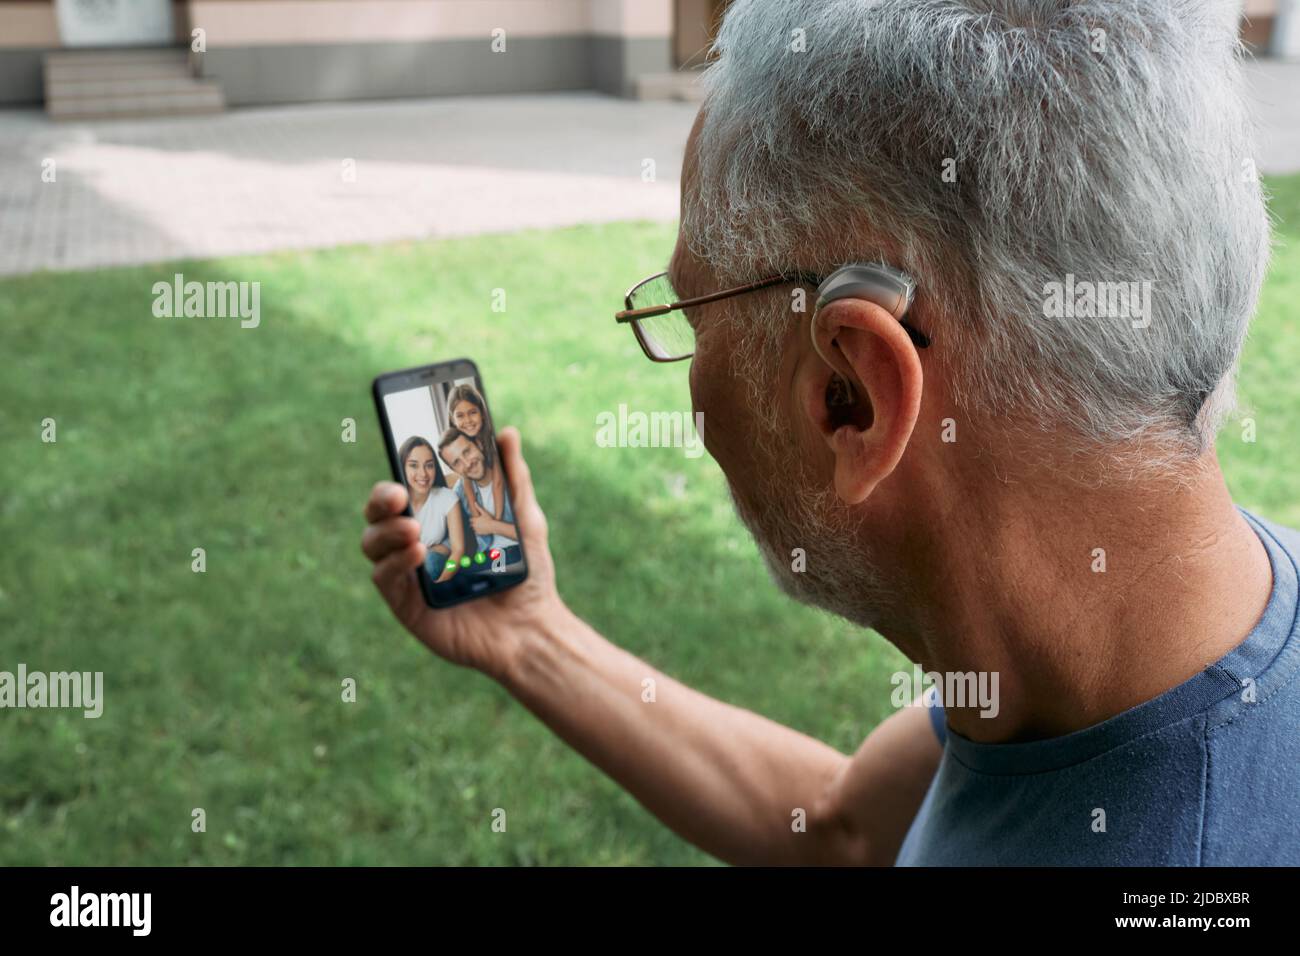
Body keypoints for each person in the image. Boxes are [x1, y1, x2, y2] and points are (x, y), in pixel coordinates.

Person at [362, 0, 1300, 865]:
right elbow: (846, 828)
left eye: (693, 316)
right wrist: (533, 638)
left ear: (850, 396)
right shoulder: (1105, 653)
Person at [436, 427, 519, 564]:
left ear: (479, 444)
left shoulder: (510, 472)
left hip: (518, 554)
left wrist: (492, 526)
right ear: (453, 469)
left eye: (467, 451)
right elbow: (452, 534)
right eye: (457, 462)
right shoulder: (460, 492)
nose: (467, 463)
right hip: (487, 559)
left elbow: (531, 532)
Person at [396, 435, 465, 584]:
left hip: (432, 568)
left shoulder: (447, 498)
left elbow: (457, 551)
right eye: (414, 465)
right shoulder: (396, 501)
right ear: (402, 466)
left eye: (429, 465)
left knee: (431, 562)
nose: (423, 474)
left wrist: (444, 579)